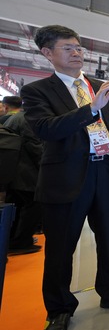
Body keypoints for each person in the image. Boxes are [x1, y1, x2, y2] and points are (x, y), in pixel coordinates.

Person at [20, 25, 109, 330]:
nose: (77, 53)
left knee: (108, 240)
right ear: (48, 54)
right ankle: (59, 310)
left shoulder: (101, 85)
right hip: (66, 178)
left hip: (108, 174)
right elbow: (45, 129)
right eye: (67, 48)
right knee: (61, 250)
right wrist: (92, 109)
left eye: (78, 48)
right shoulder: (36, 92)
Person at [4, 108, 43, 255]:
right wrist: (46, 166)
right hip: (26, 171)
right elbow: (34, 145)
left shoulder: (15, 117)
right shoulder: (28, 119)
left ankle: (11, 239)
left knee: (16, 206)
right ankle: (21, 242)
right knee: (33, 204)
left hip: (14, 169)